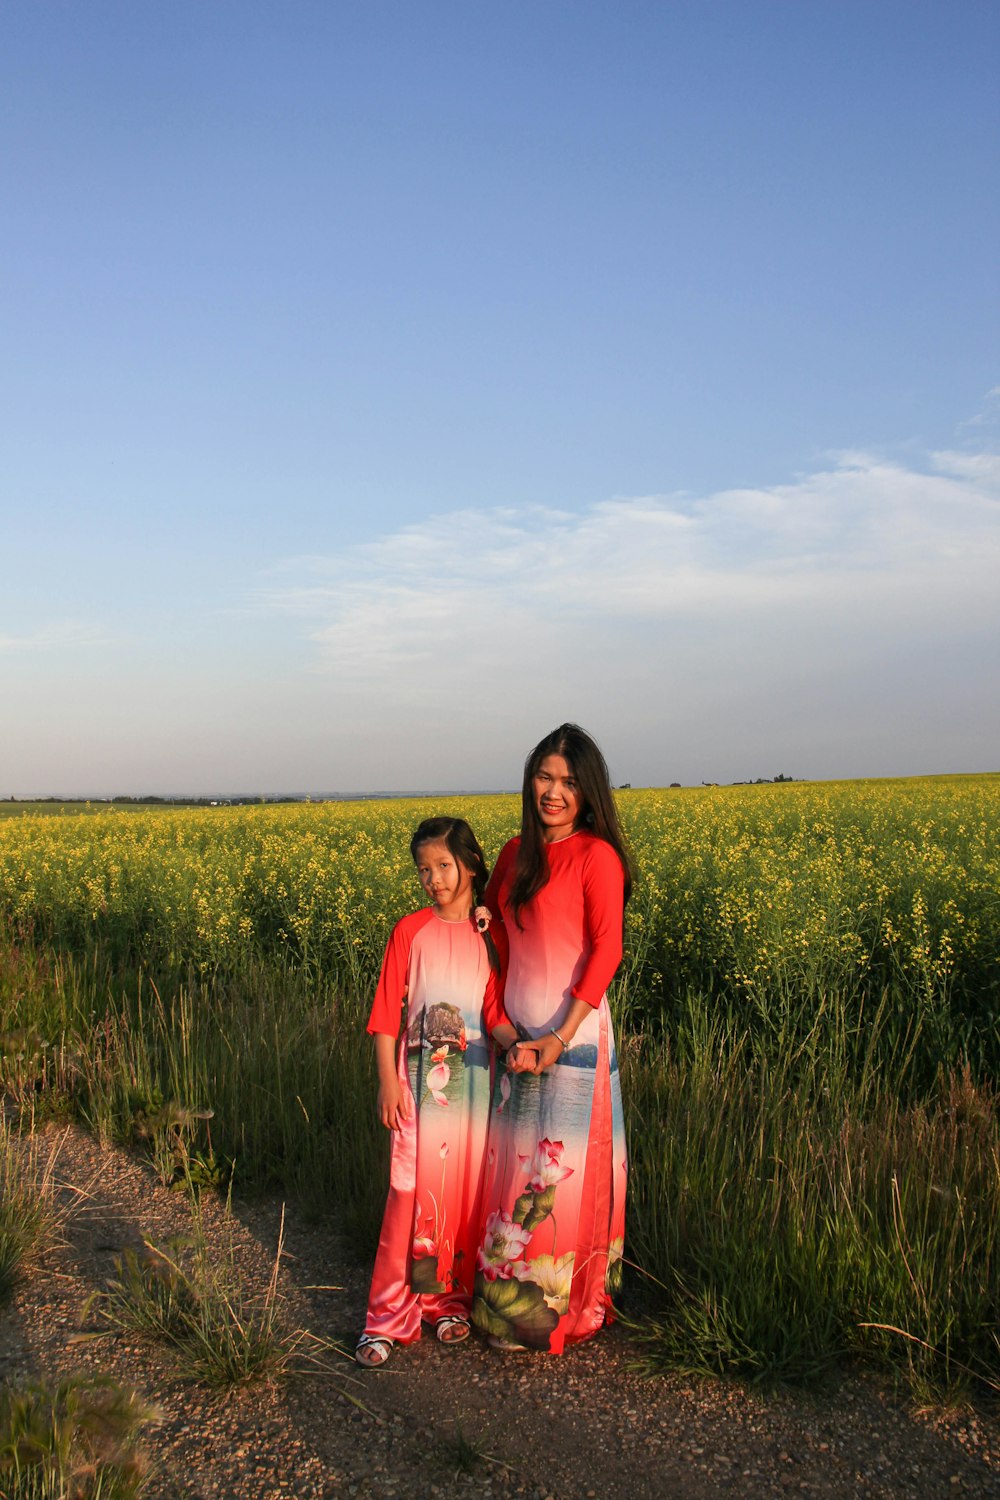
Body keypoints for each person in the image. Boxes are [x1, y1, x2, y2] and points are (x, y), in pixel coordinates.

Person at [471, 724, 631, 1354]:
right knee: (513, 1171)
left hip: (573, 1037)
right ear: (529, 779)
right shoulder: (515, 853)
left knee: (556, 1179)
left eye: (568, 781)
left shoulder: (597, 857)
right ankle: (504, 1309)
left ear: (588, 791)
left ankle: (564, 1311)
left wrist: (560, 1039)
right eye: (545, 776)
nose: (554, 791)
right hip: (516, 1037)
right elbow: (497, 935)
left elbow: (606, 950)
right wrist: (506, 1027)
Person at [356, 815, 509, 1367]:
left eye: (444, 865)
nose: (434, 879)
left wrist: (520, 1045)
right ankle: (387, 1315)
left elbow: (493, 1009)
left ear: (470, 864)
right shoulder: (410, 930)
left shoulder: (491, 933)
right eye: (424, 869)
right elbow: (383, 1015)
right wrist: (387, 1081)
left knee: (461, 1192)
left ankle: (447, 1299)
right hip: (419, 1084)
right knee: (408, 1193)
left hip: (474, 1084)